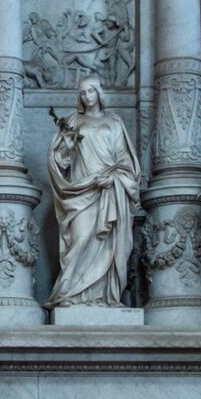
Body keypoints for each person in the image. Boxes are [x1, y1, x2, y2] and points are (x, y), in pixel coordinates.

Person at [47, 77, 140, 308]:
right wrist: (66, 150)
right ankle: (67, 293)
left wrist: (114, 177)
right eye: (82, 93)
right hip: (81, 190)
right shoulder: (71, 122)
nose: (87, 96)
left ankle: (106, 296)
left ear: (99, 93)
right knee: (80, 238)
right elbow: (59, 161)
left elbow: (125, 160)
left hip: (109, 188)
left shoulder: (114, 122)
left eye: (91, 91)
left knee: (107, 243)